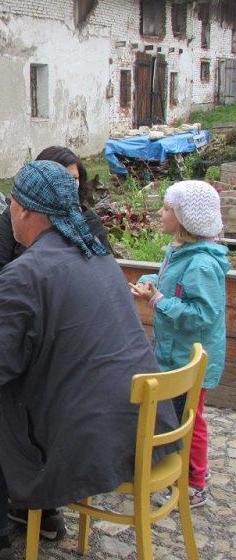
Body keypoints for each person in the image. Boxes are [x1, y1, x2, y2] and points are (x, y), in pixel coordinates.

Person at [0, 161, 178, 560]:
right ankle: (41, 515)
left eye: (11, 202)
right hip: (140, 420)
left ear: (26, 210)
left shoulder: (24, 273)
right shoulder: (98, 257)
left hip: (88, 437)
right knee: (39, 394)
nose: (9, 210)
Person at [130, 180, 228, 508]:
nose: (161, 212)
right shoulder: (181, 252)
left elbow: (202, 315)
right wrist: (151, 282)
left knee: (190, 419)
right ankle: (175, 468)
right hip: (174, 353)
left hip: (190, 359)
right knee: (173, 415)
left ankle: (195, 482)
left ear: (185, 218)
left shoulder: (201, 264)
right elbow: (174, 285)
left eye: (168, 208)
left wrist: (157, 300)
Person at [0, 146, 109, 302]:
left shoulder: (88, 224)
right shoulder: (17, 215)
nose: (67, 185)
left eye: (74, 179)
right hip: (11, 303)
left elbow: (94, 279)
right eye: (60, 178)